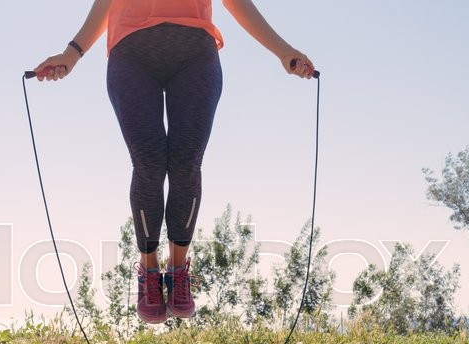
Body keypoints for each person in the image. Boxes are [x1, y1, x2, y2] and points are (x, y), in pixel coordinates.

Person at [33, 0, 315, 324]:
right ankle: (149, 270)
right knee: (149, 162)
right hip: (131, 53)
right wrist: (72, 53)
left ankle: (178, 270)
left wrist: (283, 50)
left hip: (195, 53)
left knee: (186, 161)